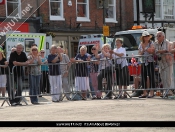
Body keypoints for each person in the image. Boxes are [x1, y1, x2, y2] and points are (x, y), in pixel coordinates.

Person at [154, 31, 174, 97]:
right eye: (157, 36)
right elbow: (155, 51)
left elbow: (166, 50)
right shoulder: (156, 43)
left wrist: (159, 51)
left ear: (163, 37)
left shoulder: (167, 42)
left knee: (168, 78)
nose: (157, 37)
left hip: (168, 62)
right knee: (163, 78)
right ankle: (166, 91)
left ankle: (169, 92)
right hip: (161, 63)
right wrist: (160, 51)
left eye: (159, 36)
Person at [138, 31, 155, 98]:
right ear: (143, 37)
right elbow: (139, 53)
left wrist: (145, 49)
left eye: (148, 36)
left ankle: (151, 92)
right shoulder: (141, 44)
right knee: (143, 77)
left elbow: (152, 51)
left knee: (151, 76)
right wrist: (145, 50)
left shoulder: (151, 43)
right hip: (143, 61)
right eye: (145, 36)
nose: (147, 37)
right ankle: (144, 92)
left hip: (150, 61)